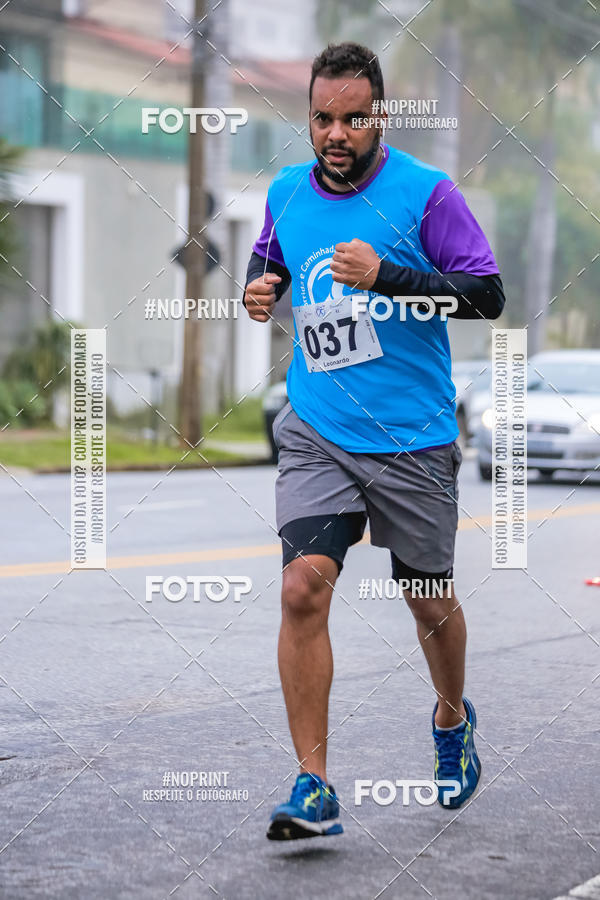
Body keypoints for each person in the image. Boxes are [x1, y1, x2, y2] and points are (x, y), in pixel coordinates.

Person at [243, 41, 505, 841]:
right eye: (322, 117)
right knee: (300, 589)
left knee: (426, 600)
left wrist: (390, 274)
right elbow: (273, 265)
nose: (335, 133)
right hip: (319, 428)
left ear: (379, 117)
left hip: (413, 438)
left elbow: (486, 294)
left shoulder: (428, 194)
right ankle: (313, 785)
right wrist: (260, 289)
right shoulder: (286, 192)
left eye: (353, 119)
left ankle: (452, 717)